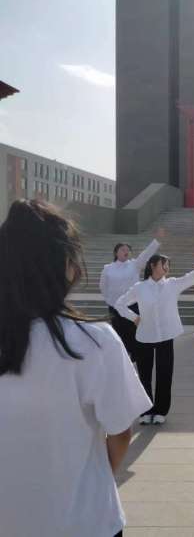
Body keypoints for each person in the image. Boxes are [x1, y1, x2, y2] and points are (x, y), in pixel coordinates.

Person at [0, 199, 151, 537]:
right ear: (66, 266)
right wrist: (91, 482)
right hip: (85, 522)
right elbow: (121, 431)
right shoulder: (94, 341)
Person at [115, 251, 194, 425]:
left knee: (164, 373)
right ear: (153, 266)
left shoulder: (172, 284)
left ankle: (161, 410)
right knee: (144, 375)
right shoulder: (140, 287)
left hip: (166, 335)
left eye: (168, 265)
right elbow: (120, 304)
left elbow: (192, 276)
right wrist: (134, 317)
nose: (167, 268)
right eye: (164, 264)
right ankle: (145, 411)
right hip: (145, 336)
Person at [100, 228, 165, 361]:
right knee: (118, 331)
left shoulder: (135, 265)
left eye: (127, 250)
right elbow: (103, 286)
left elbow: (146, 254)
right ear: (116, 252)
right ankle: (122, 356)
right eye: (122, 249)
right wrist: (109, 300)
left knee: (133, 330)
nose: (126, 251)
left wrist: (156, 241)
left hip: (132, 305)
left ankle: (136, 355)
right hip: (115, 306)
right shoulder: (108, 268)